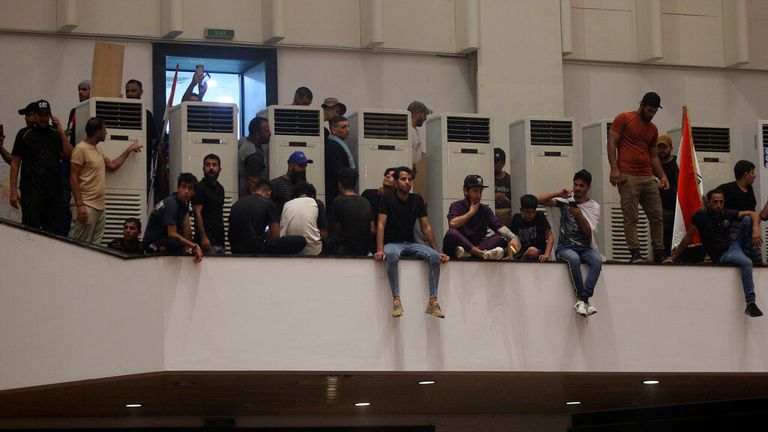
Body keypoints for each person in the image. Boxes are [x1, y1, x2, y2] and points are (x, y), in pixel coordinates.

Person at [665, 189, 763, 317]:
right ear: (708, 203)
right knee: (747, 263)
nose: (718, 205)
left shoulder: (726, 213)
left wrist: (756, 230)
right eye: (715, 202)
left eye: (721, 202)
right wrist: (673, 257)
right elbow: (688, 238)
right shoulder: (701, 216)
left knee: (748, 220)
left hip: (734, 244)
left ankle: (749, 251)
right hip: (723, 254)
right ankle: (751, 302)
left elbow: (754, 214)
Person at [374, 166, 449, 319]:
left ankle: (433, 301)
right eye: (403, 179)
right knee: (392, 255)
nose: (407, 182)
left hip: (411, 243)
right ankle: (396, 300)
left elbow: (426, 227)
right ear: (395, 182)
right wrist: (380, 250)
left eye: (410, 179)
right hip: (392, 244)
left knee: (434, 257)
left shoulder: (417, 199)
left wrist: (436, 250)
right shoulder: (386, 199)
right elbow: (380, 225)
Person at [608, 91, 669, 263]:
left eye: (655, 112)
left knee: (657, 215)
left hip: (647, 176)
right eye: (650, 110)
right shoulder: (624, 118)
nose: (651, 114)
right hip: (627, 175)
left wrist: (662, 176)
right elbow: (612, 142)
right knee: (631, 216)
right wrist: (614, 168)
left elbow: (654, 156)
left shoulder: (653, 129)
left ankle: (659, 251)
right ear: (642, 105)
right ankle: (635, 252)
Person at [538, 169, 602, 317]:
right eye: (576, 185)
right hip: (565, 247)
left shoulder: (593, 206)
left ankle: (583, 299)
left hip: (585, 248)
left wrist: (580, 217)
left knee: (597, 260)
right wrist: (557, 193)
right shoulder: (565, 202)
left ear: (588, 187)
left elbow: (589, 233)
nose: (578, 188)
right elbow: (536, 200)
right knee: (574, 259)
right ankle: (583, 300)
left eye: (582, 186)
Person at [69, 117, 142, 244]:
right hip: (86, 206)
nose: (106, 133)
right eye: (104, 130)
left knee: (96, 248)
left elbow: (112, 166)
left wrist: (129, 149)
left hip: (99, 207)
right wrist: (80, 205)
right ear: (98, 132)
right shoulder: (81, 149)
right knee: (80, 246)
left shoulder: (97, 149)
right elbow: (73, 178)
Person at [9, 100, 73, 233]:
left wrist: (61, 132)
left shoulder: (55, 133)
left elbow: (69, 155)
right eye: (41, 115)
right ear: (35, 115)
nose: (43, 118)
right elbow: (15, 163)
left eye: (46, 115)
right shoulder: (24, 134)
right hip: (31, 194)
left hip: (54, 195)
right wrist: (13, 191)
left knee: (53, 235)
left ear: (50, 115)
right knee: (31, 233)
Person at [443, 174, 521, 260]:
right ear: (466, 191)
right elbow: (452, 224)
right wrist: (471, 213)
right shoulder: (456, 206)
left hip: (476, 246)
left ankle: (469, 254)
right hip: (460, 245)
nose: (479, 195)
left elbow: (500, 227)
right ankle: (479, 254)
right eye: (475, 191)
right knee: (451, 233)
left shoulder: (485, 210)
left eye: (480, 192)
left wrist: (513, 237)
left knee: (503, 237)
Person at [228, 181, 307, 255]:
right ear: (269, 192)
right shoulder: (270, 204)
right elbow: (275, 237)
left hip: (236, 249)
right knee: (301, 240)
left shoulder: (238, 203)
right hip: (257, 249)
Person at [716, 160, 768, 265]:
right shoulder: (727, 188)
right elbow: (709, 200)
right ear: (746, 174)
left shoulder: (749, 189)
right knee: (747, 218)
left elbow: (758, 215)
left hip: (749, 232)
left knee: (758, 263)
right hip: (733, 232)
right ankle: (747, 253)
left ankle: (752, 255)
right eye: (752, 172)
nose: (755, 176)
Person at [142, 172, 203, 262]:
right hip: (151, 245)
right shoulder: (172, 204)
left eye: (190, 188)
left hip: (163, 241)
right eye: (183, 187)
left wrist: (190, 249)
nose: (186, 191)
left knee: (182, 247)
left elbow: (187, 228)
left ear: (194, 192)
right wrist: (194, 246)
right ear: (178, 188)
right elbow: (172, 234)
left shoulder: (183, 204)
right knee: (176, 244)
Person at [61, 79, 92, 235]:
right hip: (70, 158)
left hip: (84, 161)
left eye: (85, 89)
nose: (81, 92)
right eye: (79, 89)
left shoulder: (92, 110)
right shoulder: (74, 111)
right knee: (66, 198)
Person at [125, 79, 160, 199]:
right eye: (127, 91)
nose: (130, 94)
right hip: (122, 164)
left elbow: (155, 140)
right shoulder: (120, 112)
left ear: (141, 92)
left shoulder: (147, 115)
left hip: (142, 166)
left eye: (133, 91)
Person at [331, 167, 374, 256]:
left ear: (339, 185)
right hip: (364, 250)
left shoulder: (338, 201)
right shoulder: (365, 201)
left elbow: (336, 229)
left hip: (345, 251)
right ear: (355, 184)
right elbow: (372, 229)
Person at [280, 182, 328, 256]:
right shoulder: (317, 203)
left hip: (289, 251)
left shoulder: (287, 204)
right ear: (312, 195)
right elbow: (324, 234)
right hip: (313, 251)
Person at [192, 153, 226, 255]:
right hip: (205, 242)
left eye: (214, 165)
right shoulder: (199, 188)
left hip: (219, 240)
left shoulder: (220, 189)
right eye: (208, 165)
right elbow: (197, 213)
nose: (211, 168)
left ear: (219, 169)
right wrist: (203, 237)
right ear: (203, 168)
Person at [325, 115, 355, 219]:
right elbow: (338, 173)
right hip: (335, 194)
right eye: (343, 127)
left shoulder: (337, 144)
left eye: (348, 126)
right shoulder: (334, 147)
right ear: (333, 129)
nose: (348, 130)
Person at [511, 194, 554, 262]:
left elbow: (550, 236)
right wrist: (510, 256)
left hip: (539, 253)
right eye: (527, 212)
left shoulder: (540, 216)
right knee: (512, 244)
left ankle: (520, 260)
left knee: (532, 251)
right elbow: (510, 238)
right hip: (522, 252)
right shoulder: (516, 218)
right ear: (521, 210)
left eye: (533, 212)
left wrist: (546, 254)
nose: (531, 215)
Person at [362, 167, 396, 252]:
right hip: (368, 243)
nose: (388, 176)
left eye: (392, 176)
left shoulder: (398, 200)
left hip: (391, 243)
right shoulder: (369, 194)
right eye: (387, 175)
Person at [238, 117, 271, 198]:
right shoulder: (254, 155)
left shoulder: (244, 140)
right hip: (248, 197)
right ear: (257, 135)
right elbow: (253, 183)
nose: (270, 133)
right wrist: (257, 202)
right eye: (266, 131)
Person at [657, 135, 678, 256]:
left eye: (664, 147)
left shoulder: (677, 163)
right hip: (661, 208)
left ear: (670, 148)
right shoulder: (654, 165)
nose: (661, 150)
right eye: (659, 147)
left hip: (676, 207)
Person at [407, 100, 432, 200]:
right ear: (418, 114)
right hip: (411, 173)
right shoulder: (408, 130)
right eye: (425, 114)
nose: (425, 118)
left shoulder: (414, 130)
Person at [493, 147, 513, 227]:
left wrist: (508, 201)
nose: (494, 164)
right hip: (490, 210)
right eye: (492, 161)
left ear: (503, 163)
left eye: (496, 161)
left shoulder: (510, 180)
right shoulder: (487, 178)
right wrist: (493, 198)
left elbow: (518, 204)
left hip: (506, 212)